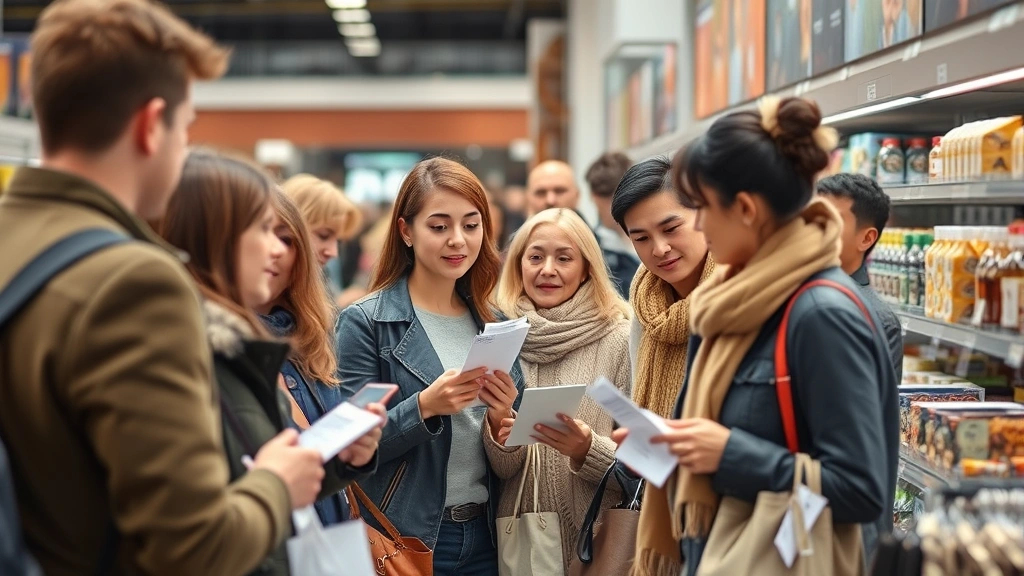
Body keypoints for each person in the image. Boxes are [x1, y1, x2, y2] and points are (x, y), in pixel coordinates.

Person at [0, 2, 321, 574]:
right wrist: (275, 484)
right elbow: (194, 548)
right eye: (185, 128)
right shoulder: (136, 283)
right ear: (151, 126)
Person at [623, 96, 899, 575]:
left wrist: (729, 453)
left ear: (746, 209)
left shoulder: (820, 312)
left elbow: (862, 488)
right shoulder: (734, 304)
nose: (701, 226)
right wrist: (677, 441)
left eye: (703, 208)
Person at [157, 149, 384, 576]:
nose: (278, 249)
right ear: (211, 237)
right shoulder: (184, 351)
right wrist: (277, 486)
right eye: (264, 229)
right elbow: (181, 529)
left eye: (285, 234)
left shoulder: (271, 340)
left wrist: (341, 458)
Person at [335, 157, 525, 576]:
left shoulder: (494, 322)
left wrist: (501, 419)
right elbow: (347, 447)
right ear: (406, 231)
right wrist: (423, 406)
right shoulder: (367, 322)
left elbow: (510, 451)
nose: (457, 240)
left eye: (471, 225)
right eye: (439, 227)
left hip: (487, 533)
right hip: (405, 536)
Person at [486, 208, 632, 573]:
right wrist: (501, 426)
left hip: (596, 545)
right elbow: (504, 471)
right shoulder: (501, 335)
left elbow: (645, 461)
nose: (547, 269)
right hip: (521, 546)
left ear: (586, 268)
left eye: (564, 258)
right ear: (518, 265)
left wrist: (588, 450)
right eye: (535, 257)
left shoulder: (621, 339)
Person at [609, 157, 715, 575]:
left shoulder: (740, 298)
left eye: (671, 229)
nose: (660, 249)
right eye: (641, 238)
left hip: (727, 511)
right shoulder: (645, 306)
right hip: (661, 508)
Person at [257, 187, 357, 526]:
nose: (331, 251)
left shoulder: (312, 331)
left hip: (324, 532)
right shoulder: (218, 344)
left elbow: (319, 464)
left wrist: (352, 455)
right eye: (323, 235)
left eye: (285, 240)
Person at [818, 173, 904, 381]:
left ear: (866, 238)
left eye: (831, 220)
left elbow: (879, 409)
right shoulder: (783, 291)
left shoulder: (877, 320)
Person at [585, 152, 641, 299]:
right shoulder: (592, 247)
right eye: (608, 197)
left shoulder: (655, 236)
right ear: (594, 196)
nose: (616, 207)